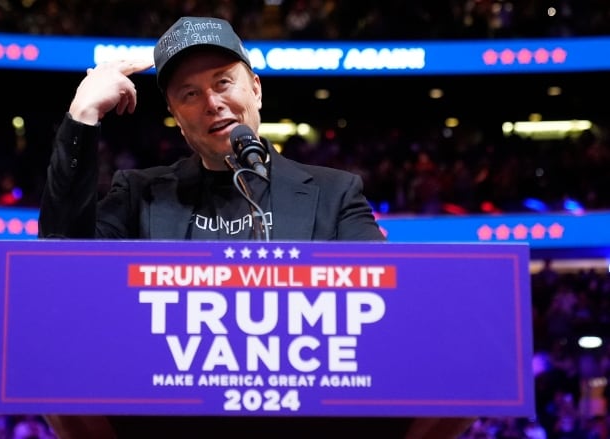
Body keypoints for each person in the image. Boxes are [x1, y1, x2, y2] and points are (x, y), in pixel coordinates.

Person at [38, 15, 472, 439]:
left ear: (256, 89)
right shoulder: (138, 194)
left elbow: (384, 313)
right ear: (176, 115)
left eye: (224, 82)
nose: (211, 102)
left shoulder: (335, 193)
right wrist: (82, 117)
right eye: (189, 94)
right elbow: (59, 269)